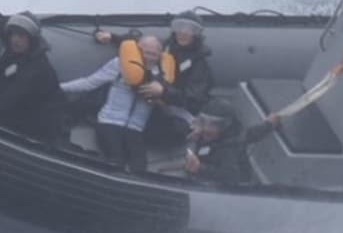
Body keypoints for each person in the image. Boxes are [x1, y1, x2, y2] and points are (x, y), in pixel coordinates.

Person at [95, 10, 213, 145]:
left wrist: (164, 92)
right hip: (152, 96)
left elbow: (193, 99)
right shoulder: (167, 45)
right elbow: (140, 44)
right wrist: (112, 37)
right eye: (180, 27)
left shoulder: (199, 65)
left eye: (190, 29)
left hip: (174, 106)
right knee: (107, 93)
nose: (183, 33)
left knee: (172, 129)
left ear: (197, 34)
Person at [60, 35, 167, 172]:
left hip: (135, 129)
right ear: (138, 50)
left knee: (140, 167)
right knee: (116, 161)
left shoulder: (162, 77)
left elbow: (171, 102)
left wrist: (191, 120)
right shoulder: (120, 64)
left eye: (154, 54)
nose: (150, 57)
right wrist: (60, 87)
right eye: (146, 52)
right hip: (109, 122)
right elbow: (89, 82)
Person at [0, 8, 65, 143]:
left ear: (31, 39)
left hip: (39, 117)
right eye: (13, 34)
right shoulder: (14, 38)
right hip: (19, 105)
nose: (15, 40)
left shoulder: (35, 69)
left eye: (21, 36)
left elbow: (5, 101)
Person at [184, 98, 281, 186]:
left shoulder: (229, 149)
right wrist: (269, 124)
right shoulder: (237, 134)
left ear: (225, 127)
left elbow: (230, 176)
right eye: (203, 121)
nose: (206, 128)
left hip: (233, 187)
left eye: (213, 124)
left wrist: (200, 168)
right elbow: (253, 133)